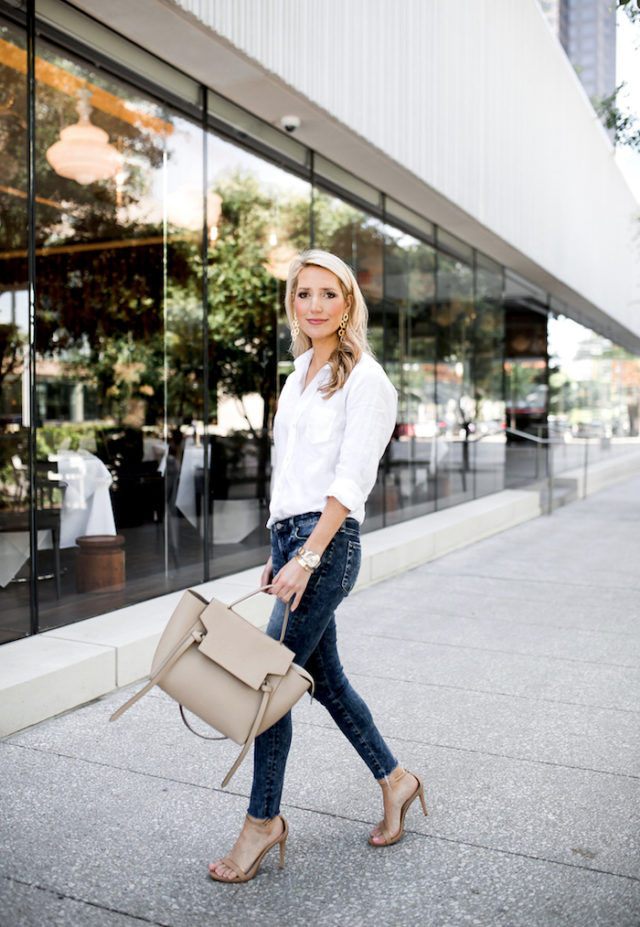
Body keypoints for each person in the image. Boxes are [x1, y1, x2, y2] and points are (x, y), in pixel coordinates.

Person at [209, 250, 427, 883]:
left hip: (327, 547)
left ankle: (261, 824)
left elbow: (349, 482)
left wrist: (305, 557)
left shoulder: (368, 380)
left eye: (327, 294)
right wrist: (276, 550)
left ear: (348, 302)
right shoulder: (301, 369)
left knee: (270, 685)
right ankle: (397, 779)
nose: (313, 306)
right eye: (303, 294)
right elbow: (292, 475)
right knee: (322, 682)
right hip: (293, 541)